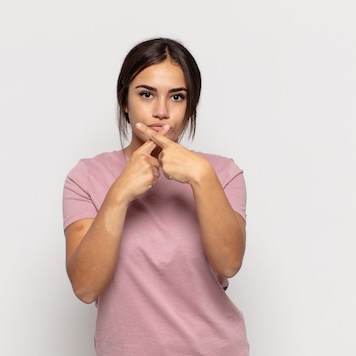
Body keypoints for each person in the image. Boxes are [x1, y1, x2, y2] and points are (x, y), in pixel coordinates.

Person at [62, 37, 249, 355]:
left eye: (176, 97)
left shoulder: (222, 172)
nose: (161, 111)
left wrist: (201, 176)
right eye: (146, 94)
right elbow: (85, 286)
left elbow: (229, 263)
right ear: (125, 100)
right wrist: (120, 192)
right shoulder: (86, 177)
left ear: (190, 105)